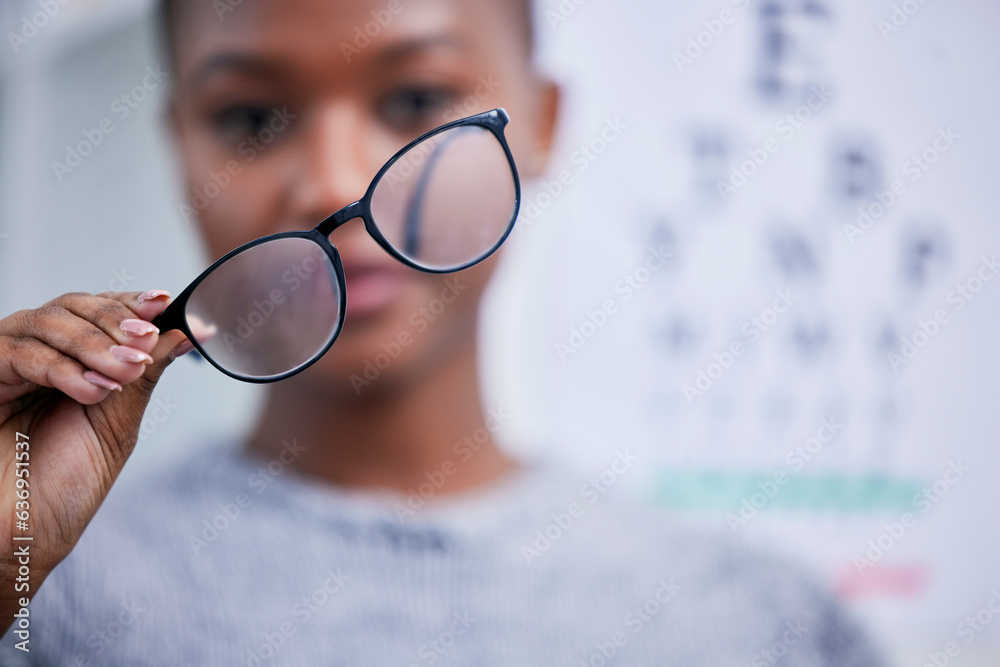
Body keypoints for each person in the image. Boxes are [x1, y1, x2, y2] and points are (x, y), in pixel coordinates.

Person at [0, 0, 887, 664]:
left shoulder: (764, 625)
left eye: (417, 97)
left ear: (541, 125)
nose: (331, 181)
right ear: (179, 144)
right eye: (252, 118)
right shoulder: (46, 595)